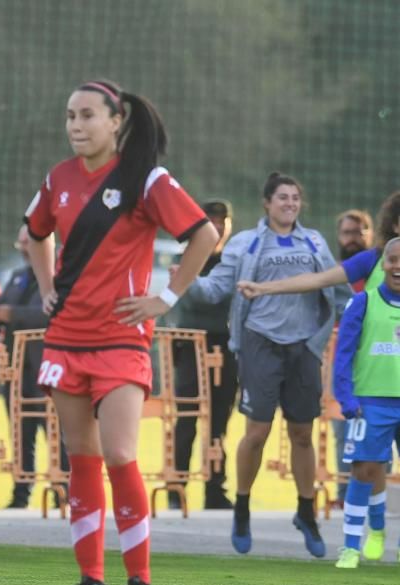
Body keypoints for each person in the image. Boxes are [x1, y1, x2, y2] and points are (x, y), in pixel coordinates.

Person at [25, 79, 218, 585]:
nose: (76, 126)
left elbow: (204, 234)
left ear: (116, 121)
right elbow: (31, 234)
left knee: (120, 454)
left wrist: (167, 297)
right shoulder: (58, 178)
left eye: (87, 115)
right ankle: (90, 581)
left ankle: (140, 582)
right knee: (80, 459)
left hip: (121, 341)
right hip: (65, 338)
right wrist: (45, 289)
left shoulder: (146, 178)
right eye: (69, 117)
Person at [186, 172, 349, 559]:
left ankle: (306, 511)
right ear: (267, 203)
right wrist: (182, 276)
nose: (289, 204)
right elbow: (213, 289)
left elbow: (337, 289)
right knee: (256, 432)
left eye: (295, 198)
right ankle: (241, 507)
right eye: (282, 198)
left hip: (304, 347)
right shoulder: (246, 244)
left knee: (302, 435)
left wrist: (355, 322)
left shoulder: (314, 241)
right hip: (260, 344)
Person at [238, 193, 400, 560]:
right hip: (370, 386)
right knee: (367, 466)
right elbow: (317, 280)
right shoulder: (373, 262)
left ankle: (374, 530)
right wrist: (265, 288)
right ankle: (369, 531)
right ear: (393, 226)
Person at [0, 224, 68, 508]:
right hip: (17, 371)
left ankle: (63, 493)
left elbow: (54, 312)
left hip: (50, 368)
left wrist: (9, 313)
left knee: (57, 433)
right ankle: (21, 494)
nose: (26, 250)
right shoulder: (17, 277)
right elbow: (0, 310)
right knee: (20, 432)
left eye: (30, 243)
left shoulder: (61, 276)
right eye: (22, 245)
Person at [332, 237, 400, 568]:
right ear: (384, 264)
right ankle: (351, 546)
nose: (398, 267)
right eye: (393, 260)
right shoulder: (363, 302)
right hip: (371, 401)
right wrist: (345, 396)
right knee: (365, 470)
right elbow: (342, 354)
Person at [167, 199, 238, 510]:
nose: (218, 227)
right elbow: (195, 305)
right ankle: (175, 490)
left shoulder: (230, 263)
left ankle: (214, 491)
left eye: (223, 221)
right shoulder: (184, 259)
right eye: (211, 221)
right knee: (186, 422)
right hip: (190, 350)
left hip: (223, 349)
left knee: (219, 425)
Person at [328, 210, 375, 506]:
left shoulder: (384, 275)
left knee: (379, 437)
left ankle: (378, 496)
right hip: (344, 369)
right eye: (347, 233)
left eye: (359, 232)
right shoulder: (337, 276)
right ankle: (344, 496)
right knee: (344, 432)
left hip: (379, 368)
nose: (353, 238)